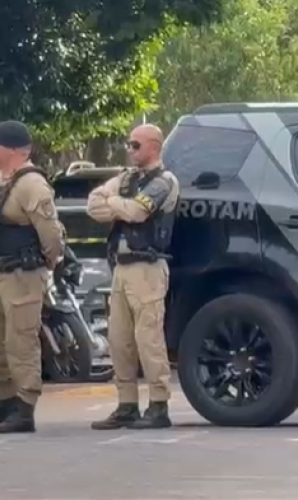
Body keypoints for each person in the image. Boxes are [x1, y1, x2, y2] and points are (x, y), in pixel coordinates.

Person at [0, 120, 65, 434]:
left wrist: (49, 263)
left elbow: (50, 232)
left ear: (12, 149)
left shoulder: (31, 184)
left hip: (22, 275)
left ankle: (24, 408)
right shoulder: (2, 182)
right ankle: (6, 401)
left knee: (20, 342)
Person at [86, 124, 180, 430]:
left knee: (148, 338)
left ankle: (158, 405)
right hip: (122, 267)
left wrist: (114, 204)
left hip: (148, 268)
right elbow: (93, 206)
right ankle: (126, 405)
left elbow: (140, 212)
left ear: (154, 146)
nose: (130, 149)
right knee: (119, 339)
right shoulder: (127, 179)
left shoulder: (164, 181)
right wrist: (118, 205)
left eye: (135, 145)